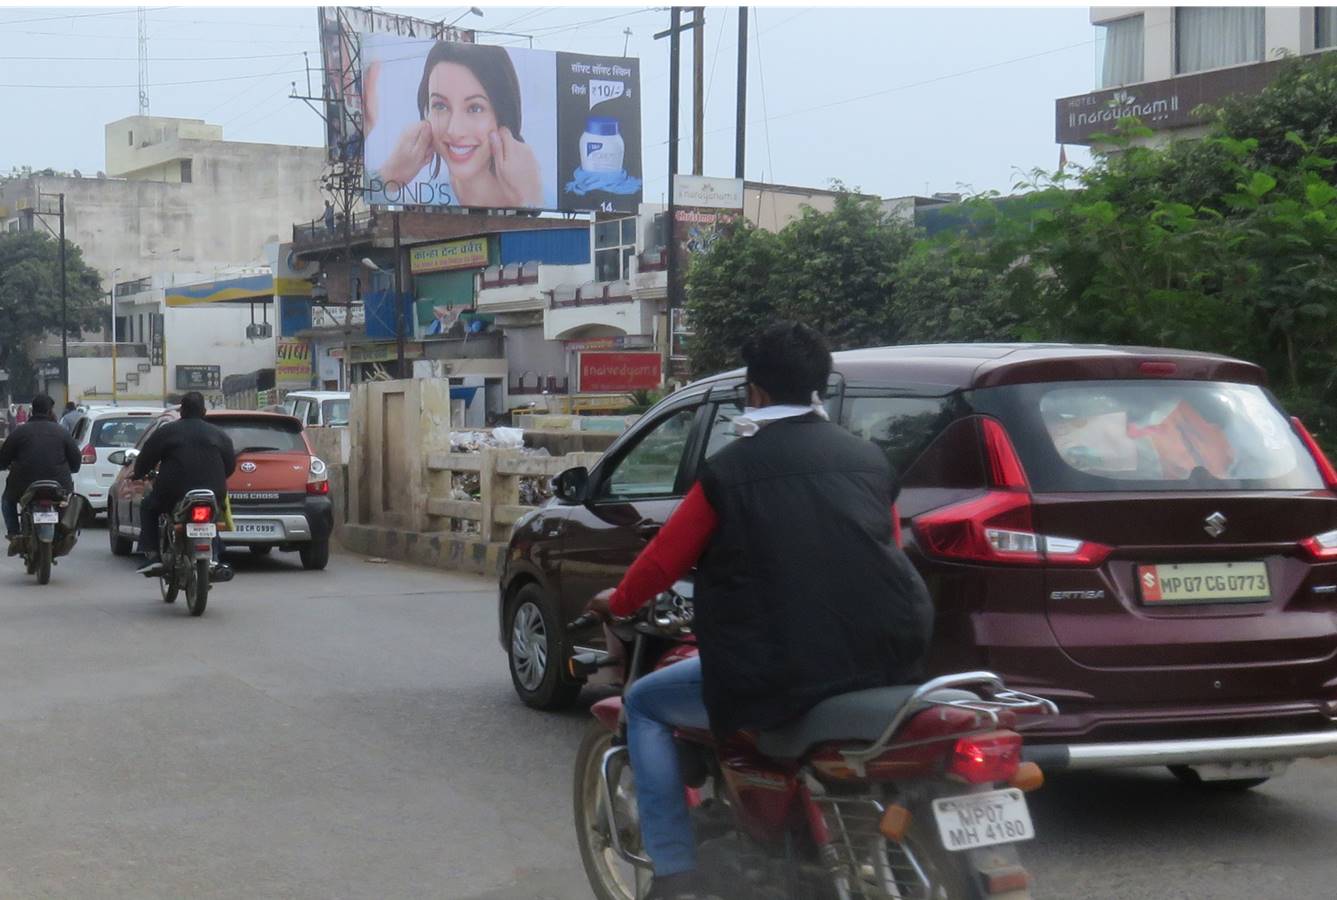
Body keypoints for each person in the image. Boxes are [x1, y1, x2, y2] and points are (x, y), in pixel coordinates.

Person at [580, 322, 934, 900]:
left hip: (784, 670)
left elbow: (663, 561)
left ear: (756, 392)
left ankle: (674, 874)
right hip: (888, 659)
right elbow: (886, 549)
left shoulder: (729, 471)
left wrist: (616, 601)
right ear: (817, 386)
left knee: (644, 702)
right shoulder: (869, 459)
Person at [375, 42, 542, 208]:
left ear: (503, 116)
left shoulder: (540, 197)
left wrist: (529, 201)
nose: (455, 130)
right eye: (440, 106)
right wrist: (388, 176)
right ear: (426, 113)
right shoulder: (420, 200)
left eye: (475, 108)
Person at [133, 391, 236, 577]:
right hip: (213, 491)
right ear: (204, 411)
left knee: (148, 506)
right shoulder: (219, 435)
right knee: (212, 518)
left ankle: (154, 555)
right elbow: (230, 466)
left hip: (173, 493)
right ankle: (216, 555)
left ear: (181, 411)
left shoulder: (166, 432)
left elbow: (146, 458)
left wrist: (139, 474)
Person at [0, 394, 82, 554]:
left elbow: (3, 459)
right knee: (68, 501)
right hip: (59, 484)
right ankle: (65, 531)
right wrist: (69, 469)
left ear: (32, 411)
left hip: (23, 485)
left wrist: (5, 465)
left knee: (7, 501)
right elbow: (76, 461)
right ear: (50, 411)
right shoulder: (62, 432)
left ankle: (14, 534)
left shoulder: (19, 432)